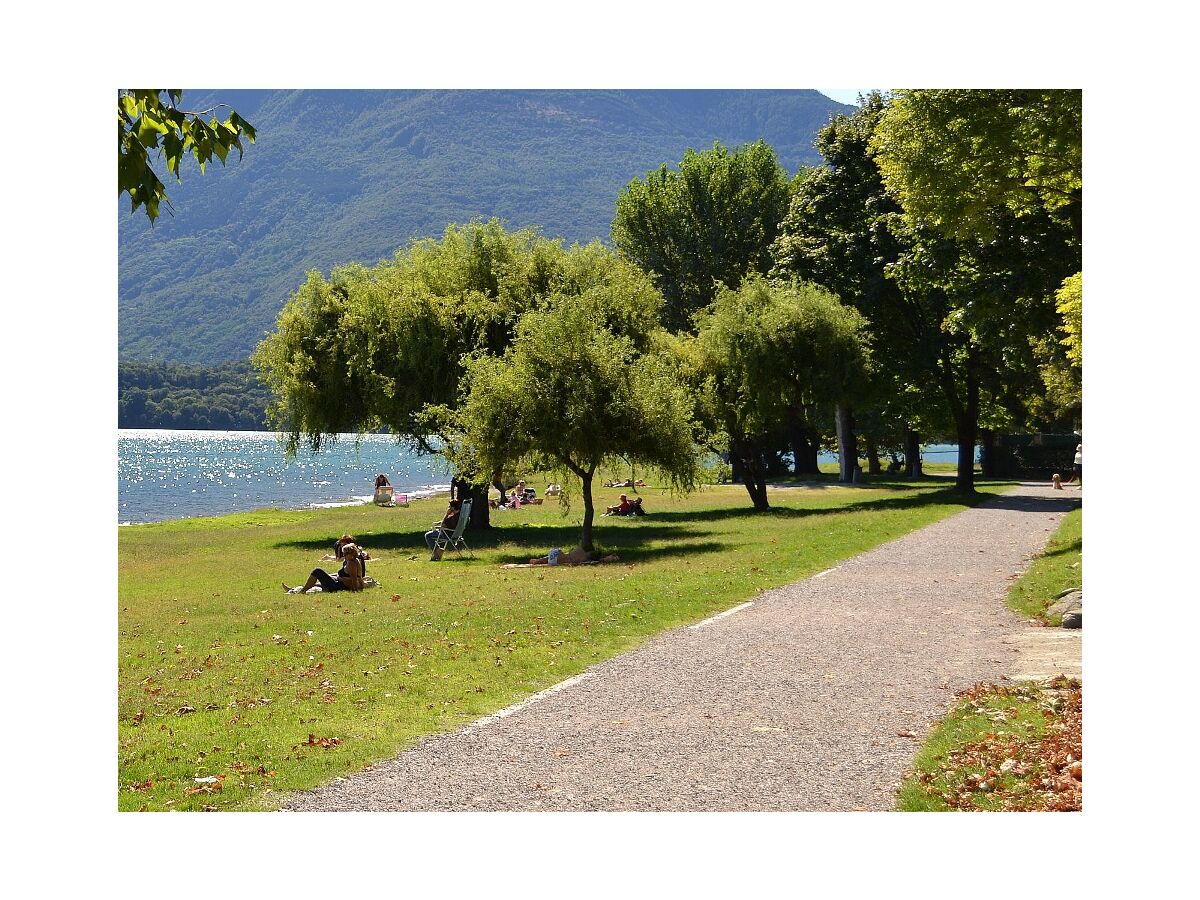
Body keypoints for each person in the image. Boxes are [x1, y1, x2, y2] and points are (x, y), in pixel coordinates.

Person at [285, 542, 365, 593]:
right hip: (339, 583)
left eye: (345, 553)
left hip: (338, 586)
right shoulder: (353, 561)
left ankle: (301, 591)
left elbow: (354, 579)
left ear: (351, 554)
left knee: (317, 571)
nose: (343, 555)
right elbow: (359, 577)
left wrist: (356, 590)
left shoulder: (351, 564)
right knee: (318, 583)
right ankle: (294, 590)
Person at [529, 546, 620, 566]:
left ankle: (537, 560)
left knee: (553, 557)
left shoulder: (580, 550)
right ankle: (538, 561)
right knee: (554, 558)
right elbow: (599, 560)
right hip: (556, 559)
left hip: (555, 554)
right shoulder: (584, 560)